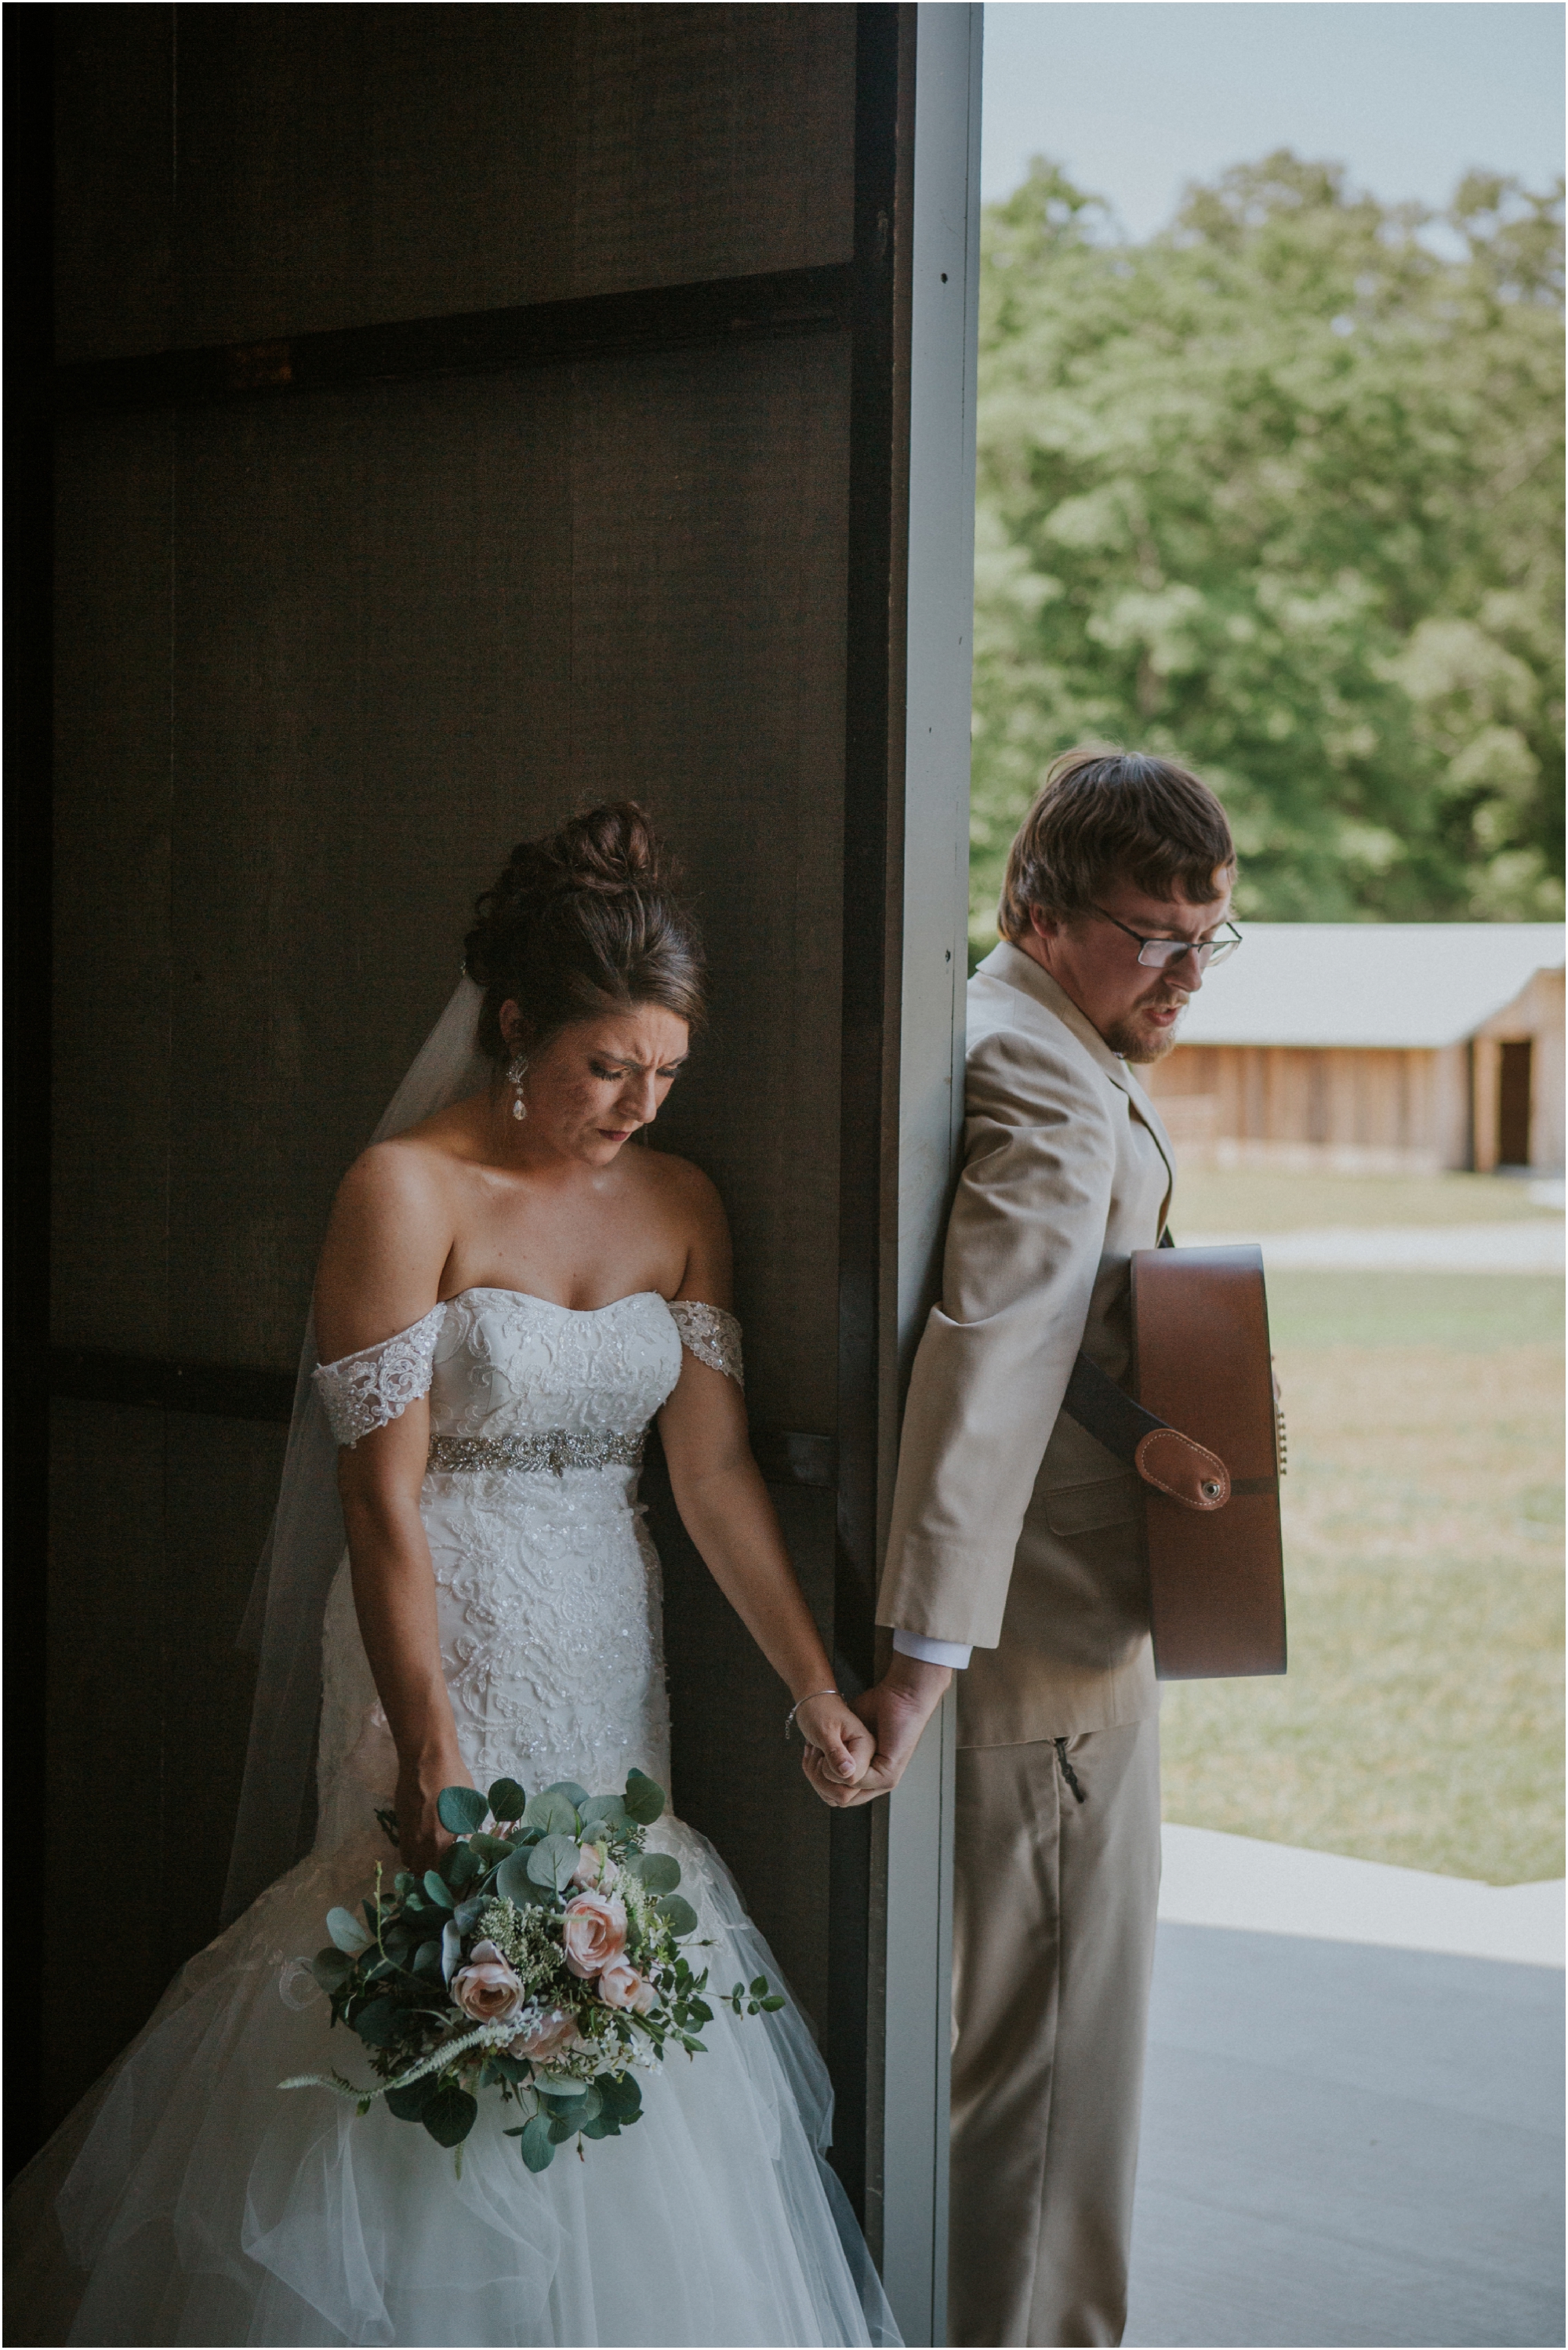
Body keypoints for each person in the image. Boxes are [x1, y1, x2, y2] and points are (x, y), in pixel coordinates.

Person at [9, 805, 899, 2348]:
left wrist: (812, 1681)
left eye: (664, 1070)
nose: (634, 1100)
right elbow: (381, 1498)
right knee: (416, 1950)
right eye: (605, 1064)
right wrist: (424, 1735)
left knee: (608, 1970)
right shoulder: (402, 1191)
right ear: (514, 1026)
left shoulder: (681, 1205)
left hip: (607, 1648)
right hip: (445, 1619)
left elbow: (708, 1472)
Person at [808, 749, 1240, 2348]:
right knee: (1048, 2086)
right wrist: (924, 1654)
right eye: (1153, 933)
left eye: (1211, 936)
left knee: (1014, 2068)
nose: (1186, 973)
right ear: (1034, 912)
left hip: (1044, 1634)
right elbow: (988, 1347)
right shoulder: (1044, 1077)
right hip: (1040, 1654)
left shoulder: (1019, 1028)